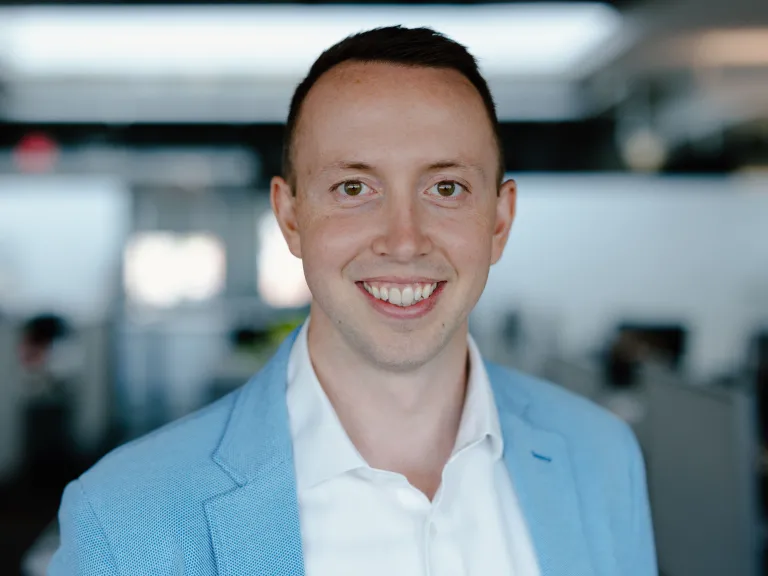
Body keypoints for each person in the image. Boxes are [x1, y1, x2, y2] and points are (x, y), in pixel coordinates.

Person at [49, 27, 656, 575]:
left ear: (500, 220)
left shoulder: (601, 457)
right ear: (290, 217)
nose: (403, 240)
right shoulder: (123, 518)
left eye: (446, 187)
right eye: (353, 187)